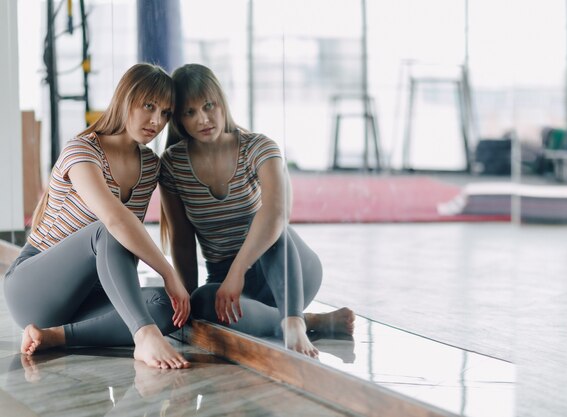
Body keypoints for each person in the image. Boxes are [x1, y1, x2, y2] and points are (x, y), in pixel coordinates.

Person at [159, 63, 355, 357]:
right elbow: (182, 240)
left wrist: (239, 270)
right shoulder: (172, 165)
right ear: (178, 119)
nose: (203, 118)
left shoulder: (259, 147)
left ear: (221, 102)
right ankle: (313, 321)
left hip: (289, 267)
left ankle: (293, 320)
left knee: (267, 225)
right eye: (190, 112)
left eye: (209, 105)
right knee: (200, 302)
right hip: (229, 285)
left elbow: (276, 215)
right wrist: (185, 304)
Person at [3, 63, 190, 369]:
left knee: (168, 307)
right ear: (125, 100)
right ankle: (143, 337)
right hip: (32, 288)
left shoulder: (150, 166)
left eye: (166, 113)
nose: (156, 120)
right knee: (109, 230)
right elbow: (115, 222)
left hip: (86, 298)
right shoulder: (83, 151)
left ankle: (52, 337)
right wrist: (169, 273)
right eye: (148, 106)